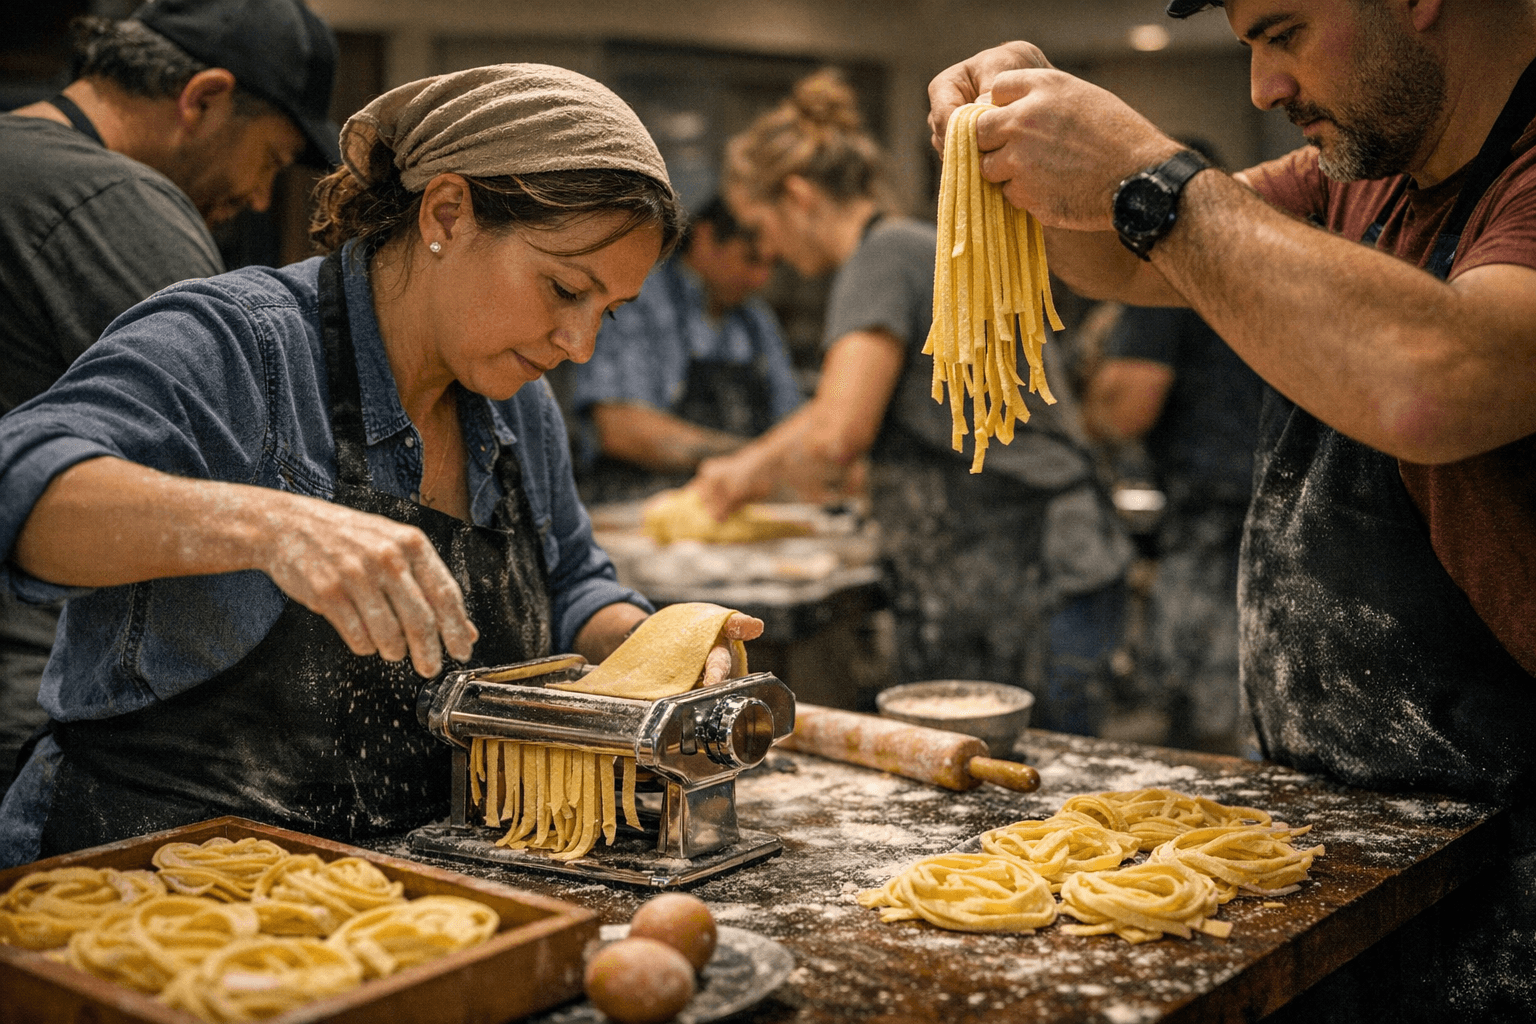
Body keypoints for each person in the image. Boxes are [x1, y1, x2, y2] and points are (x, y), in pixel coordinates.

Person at [929, 0, 1536, 1017]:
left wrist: (1149, 175)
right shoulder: (1369, 174)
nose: (1265, 88)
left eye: (1285, 31)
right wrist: (1016, 143)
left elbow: (1442, 377)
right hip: (1361, 838)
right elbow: (1118, 255)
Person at [0, 63, 762, 868]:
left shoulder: (516, 404)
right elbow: (18, 484)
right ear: (447, 212)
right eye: (563, 288)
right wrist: (271, 526)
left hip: (404, 883)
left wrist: (658, 651)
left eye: (607, 311)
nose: (580, 345)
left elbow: (570, 582)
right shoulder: (241, 344)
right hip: (151, 880)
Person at [691, 70, 1133, 733]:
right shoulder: (908, 247)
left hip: (1023, 567)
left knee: (1028, 801)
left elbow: (834, 434)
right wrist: (749, 468)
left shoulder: (882, 256)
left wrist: (751, 473)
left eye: (762, 227)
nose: (768, 251)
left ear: (797, 196)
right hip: (1043, 557)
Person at [0, 0, 340, 793]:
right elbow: (246, 451)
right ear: (204, 98)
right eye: (270, 157)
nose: (260, 198)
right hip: (25, 690)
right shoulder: (114, 202)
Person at [1084, 247, 1266, 754]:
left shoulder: (1159, 263)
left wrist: (1087, 405)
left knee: (1206, 700)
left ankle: (1211, 820)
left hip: (1219, 504)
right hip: (1268, 485)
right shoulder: (1226, 257)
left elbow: (1128, 405)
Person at [571, 195, 802, 503]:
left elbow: (793, 426)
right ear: (706, 239)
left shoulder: (757, 323)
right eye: (750, 259)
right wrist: (755, 459)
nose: (761, 278)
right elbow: (621, 429)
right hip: (637, 507)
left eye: (771, 265)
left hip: (736, 505)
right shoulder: (637, 302)